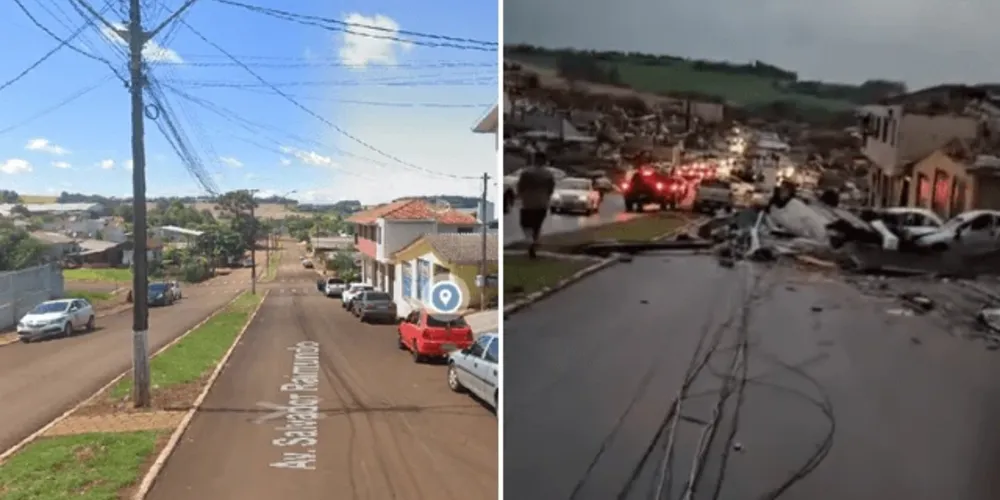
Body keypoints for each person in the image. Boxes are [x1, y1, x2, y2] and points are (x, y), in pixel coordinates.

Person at [517, 164, 556, 259]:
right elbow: (551, 188)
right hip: (542, 203)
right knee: (537, 226)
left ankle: (531, 241)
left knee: (525, 224)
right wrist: (547, 197)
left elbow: (520, 186)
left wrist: (521, 195)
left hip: (528, 203)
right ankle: (533, 245)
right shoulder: (548, 174)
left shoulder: (526, 173)